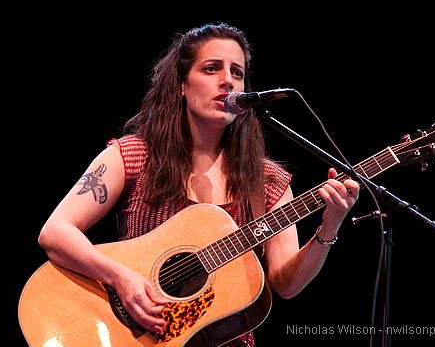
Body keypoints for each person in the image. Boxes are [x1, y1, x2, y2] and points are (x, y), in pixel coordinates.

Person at [38, 22, 360, 346]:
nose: (227, 81)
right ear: (181, 84)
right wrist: (121, 277)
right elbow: (55, 233)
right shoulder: (133, 155)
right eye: (211, 68)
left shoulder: (266, 181)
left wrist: (330, 225)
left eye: (237, 72)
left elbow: (286, 284)